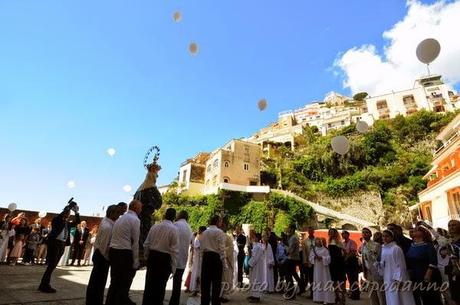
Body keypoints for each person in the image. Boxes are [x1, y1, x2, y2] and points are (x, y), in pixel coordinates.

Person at [39, 200, 80, 293]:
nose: (68, 214)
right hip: (54, 243)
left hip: (62, 244)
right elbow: (62, 215)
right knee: (51, 265)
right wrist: (69, 207)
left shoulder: (67, 223)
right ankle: (44, 285)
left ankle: (44, 284)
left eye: (69, 213)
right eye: (67, 212)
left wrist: (76, 212)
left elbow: (77, 221)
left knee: (53, 266)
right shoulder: (57, 220)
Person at [105, 200, 142, 305]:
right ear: (135, 208)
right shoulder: (135, 220)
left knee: (114, 281)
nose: (141, 210)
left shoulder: (121, 219)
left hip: (114, 251)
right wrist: (135, 261)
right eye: (140, 208)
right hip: (123, 253)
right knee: (123, 283)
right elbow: (135, 241)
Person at [142, 208, 179, 305]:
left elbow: (146, 244)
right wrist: (174, 268)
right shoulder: (174, 230)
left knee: (149, 285)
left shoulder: (155, 227)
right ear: (174, 217)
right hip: (164, 260)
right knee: (160, 287)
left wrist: (147, 257)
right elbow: (174, 251)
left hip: (153, 257)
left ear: (165, 215)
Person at [86, 205, 119, 305]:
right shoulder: (108, 227)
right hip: (102, 256)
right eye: (117, 213)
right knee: (98, 282)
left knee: (96, 281)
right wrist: (108, 258)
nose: (118, 215)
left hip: (100, 255)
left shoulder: (107, 222)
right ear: (112, 213)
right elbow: (104, 246)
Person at [379, 230, 415, 305]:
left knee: (401, 297)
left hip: (396, 278)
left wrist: (398, 279)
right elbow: (383, 263)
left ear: (392, 237)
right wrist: (378, 265)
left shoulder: (396, 249)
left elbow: (400, 264)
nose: (385, 238)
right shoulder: (383, 249)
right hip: (387, 277)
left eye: (387, 236)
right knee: (391, 297)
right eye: (383, 236)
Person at [200, 215, 226, 305]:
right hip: (216, 258)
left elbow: (201, 248)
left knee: (205, 285)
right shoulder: (219, 232)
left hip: (206, 258)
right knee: (216, 285)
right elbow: (222, 249)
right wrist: (224, 264)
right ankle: (215, 302)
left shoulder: (204, 233)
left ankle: (204, 303)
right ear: (217, 222)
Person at [169, 210, 192, 305]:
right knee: (177, 283)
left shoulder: (175, 225)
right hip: (183, 258)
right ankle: (174, 302)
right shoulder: (189, 228)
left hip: (172, 257)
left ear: (179, 215)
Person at [360, 228, 385, 305]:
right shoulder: (363, 246)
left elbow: (380, 258)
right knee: (372, 294)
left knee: (380, 294)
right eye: (363, 233)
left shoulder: (376, 245)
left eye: (367, 232)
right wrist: (365, 272)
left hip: (377, 272)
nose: (365, 234)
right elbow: (364, 259)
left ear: (370, 234)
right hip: (368, 272)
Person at [309, 237, 335, 305]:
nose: (318, 242)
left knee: (325, 281)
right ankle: (318, 298)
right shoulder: (313, 250)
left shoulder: (325, 250)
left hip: (324, 269)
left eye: (319, 241)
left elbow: (329, 258)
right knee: (317, 281)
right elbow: (310, 257)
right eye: (317, 241)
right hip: (317, 268)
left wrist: (322, 258)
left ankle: (327, 299)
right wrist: (314, 257)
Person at [285, 224, 304, 299]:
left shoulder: (293, 238)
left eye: (289, 228)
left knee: (288, 275)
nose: (288, 230)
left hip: (292, 258)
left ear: (292, 229)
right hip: (294, 258)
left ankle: (291, 292)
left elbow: (291, 250)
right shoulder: (293, 237)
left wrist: (286, 249)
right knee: (293, 273)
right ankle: (301, 287)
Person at [328, 228, 346, 305]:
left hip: (339, 262)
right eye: (330, 232)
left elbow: (344, 251)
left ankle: (343, 298)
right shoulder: (329, 241)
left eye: (332, 232)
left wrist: (343, 259)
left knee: (341, 280)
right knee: (334, 280)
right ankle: (337, 297)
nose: (331, 234)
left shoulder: (339, 242)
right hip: (332, 263)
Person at [342, 230, 360, 300]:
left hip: (352, 262)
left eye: (344, 234)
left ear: (348, 235)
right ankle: (352, 293)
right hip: (346, 263)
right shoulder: (343, 243)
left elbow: (353, 252)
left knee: (354, 278)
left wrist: (346, 258)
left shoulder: (352, 242)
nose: (343, 235)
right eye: (342, 234)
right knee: (350, 279)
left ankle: (356, 294)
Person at [247, 232, 264, 303]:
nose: (253, 238)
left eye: (254, 237)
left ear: (257, 238)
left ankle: (256, 296)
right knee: (253, 280)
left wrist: (250, 263)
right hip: (255, 266)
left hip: (256, 266)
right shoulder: (257, 245)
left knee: (256, 280)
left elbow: (255, 257)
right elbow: (252, 254)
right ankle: (253, 294)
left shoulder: (258, 246)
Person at [445, 219, 460, 305]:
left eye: (454, 225)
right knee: (455, 295)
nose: (451, 227)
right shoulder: (448, 241)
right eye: (449, 225)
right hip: (452, 270)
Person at [221, 221, 236, 303]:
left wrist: (222, 252)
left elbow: (230, 248)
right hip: (222, 261)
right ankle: (222, 294)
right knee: (223, 278)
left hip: (225, 260)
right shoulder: (222, 236)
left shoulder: (227, 237)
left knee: (225, 278)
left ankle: (225, 295)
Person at [190, 226, 206, 296]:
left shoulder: (203, 237)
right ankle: (195, 289)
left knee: (201, 273)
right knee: (197, 272)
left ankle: (200, 289)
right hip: (198, 258)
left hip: (201, 258)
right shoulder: (198, 237)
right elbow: (197, 247)